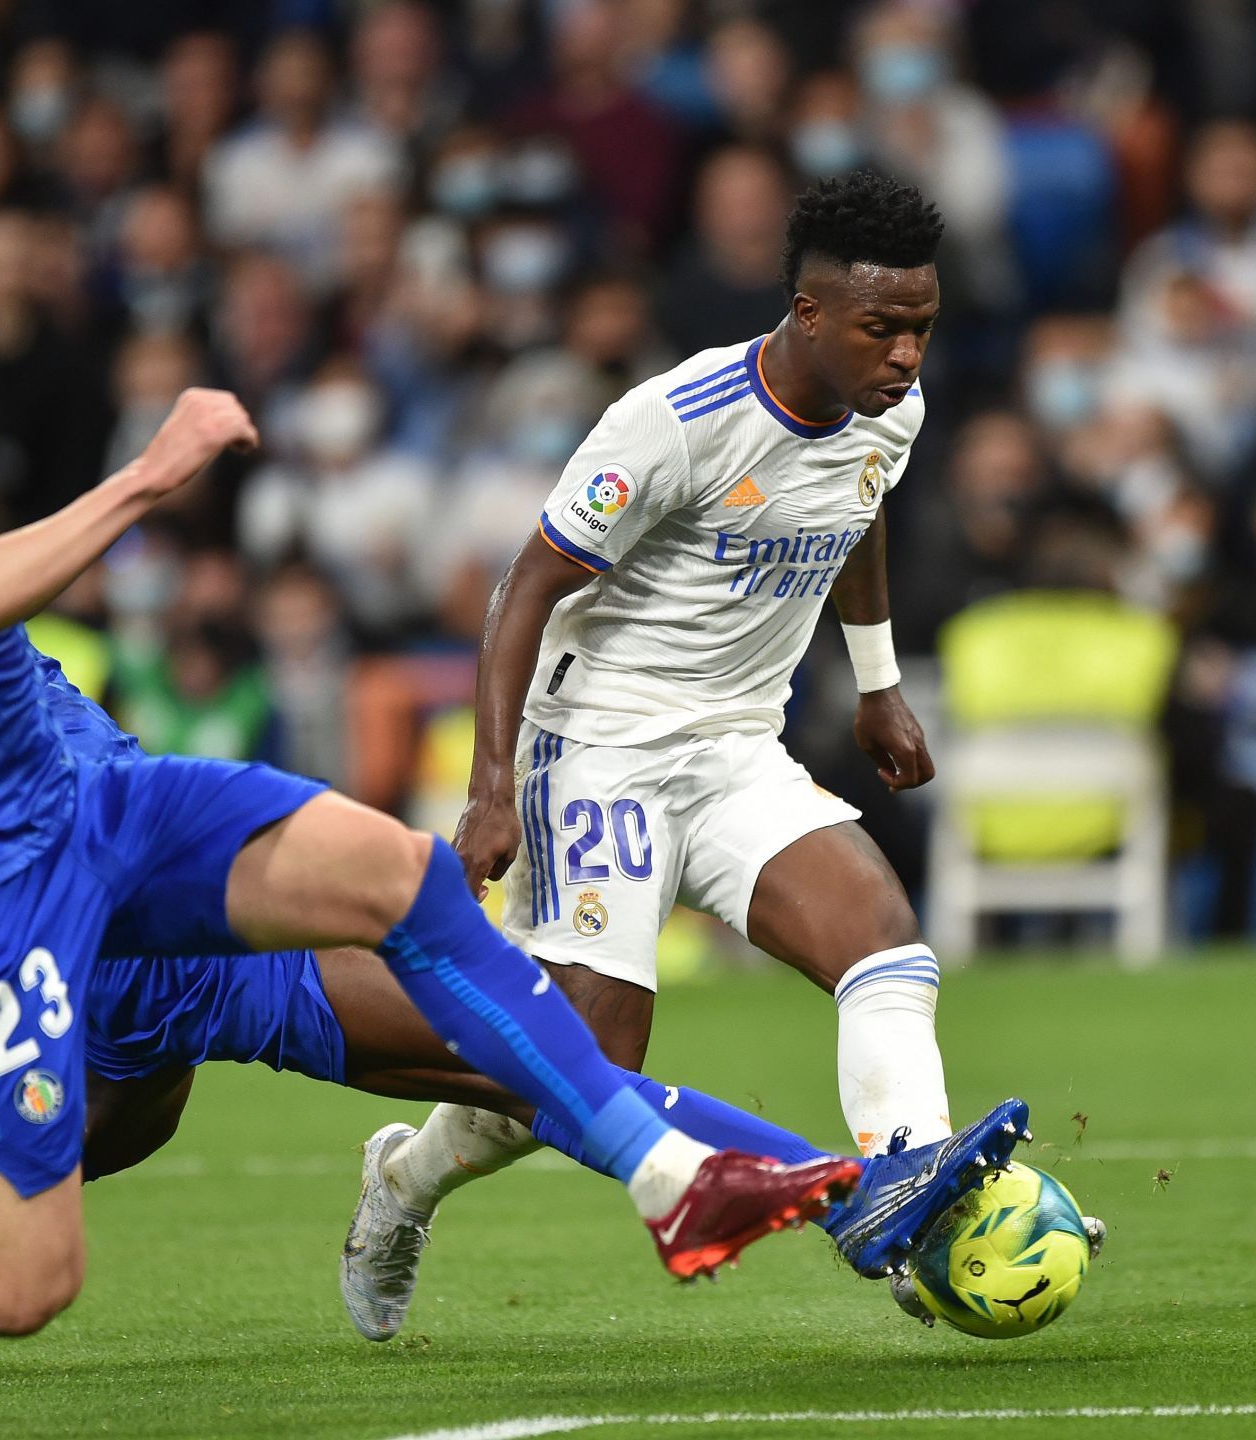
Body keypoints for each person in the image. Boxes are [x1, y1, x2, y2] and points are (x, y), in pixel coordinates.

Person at [0, 49, 868, 1369]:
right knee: (15, 1280)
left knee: (404, 882)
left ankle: (682, 1180)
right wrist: (150, 476)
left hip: (95, 805)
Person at [344, 171, 1032, 1338]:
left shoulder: (888, 411)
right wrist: (491, 785)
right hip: (600, 749)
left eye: (921, 325)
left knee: (884, 945)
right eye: (883, 328)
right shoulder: (675, 420)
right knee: (582, 1067)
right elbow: (525, 590)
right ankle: (402, 1184)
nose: (907, 354)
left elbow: (857, 508)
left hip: (733, 748)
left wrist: (878, 686)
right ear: (809, 313)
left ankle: (913, 1205)